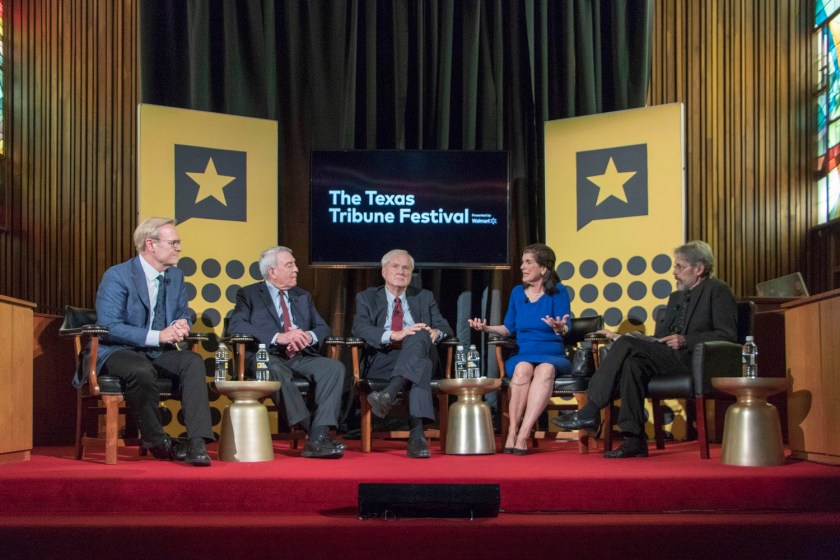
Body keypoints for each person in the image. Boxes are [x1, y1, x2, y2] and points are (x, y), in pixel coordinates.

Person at [553, 240, 737, 458]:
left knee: (627, 347)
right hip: (668, 356)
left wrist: (685, 340)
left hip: (696, 360)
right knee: (633, 364)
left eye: (680, 267)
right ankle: (634, 440)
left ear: (699, 269)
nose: (674, 272)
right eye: (674, 266)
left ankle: (591, 409)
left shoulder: (718, 290)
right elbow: (660, 338)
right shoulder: (676, 297)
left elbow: (727, 335)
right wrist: (619, 336)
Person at [79, 217, 214, 466]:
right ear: (150, 244)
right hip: (117, 349)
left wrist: (183, 323)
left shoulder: (176, 276)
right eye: (173, 242)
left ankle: (197, 443)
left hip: (156, 351)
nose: (179, 248)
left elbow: (184, 311)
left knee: (193, 361)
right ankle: (158, 441)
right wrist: (157, 335)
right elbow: (109, 326)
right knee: (141, 369)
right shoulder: (118, 275)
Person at [227, 246, 345, 459]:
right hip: (266, 356)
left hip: (299, 357)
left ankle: (317, 438)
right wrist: (278, 337)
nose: (297, 270)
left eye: (295, 264)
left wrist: (307, 336)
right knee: (274, 368)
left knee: (334, 368)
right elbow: (236, 326)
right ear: (272, 271)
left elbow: (323, 327)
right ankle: (314, 433)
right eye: (290, 265)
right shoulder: (249, 294)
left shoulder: (303, 296)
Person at [468, 243, 571, 455]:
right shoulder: (517, 292)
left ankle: (524, 433)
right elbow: (508, 328)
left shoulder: (559, 292)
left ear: (543, 268)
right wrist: (486, 327)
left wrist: (560, 327)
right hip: (524, 353)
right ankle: (512, 431)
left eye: (528, 262)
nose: (522, 267)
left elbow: (566, 325)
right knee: (523, 368)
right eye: (523, 262)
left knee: (545, 370)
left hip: (552, 354)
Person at [352, 249, 454, 458]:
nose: (401, 271)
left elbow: (446, 327)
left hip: (419, 349)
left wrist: (436, 332)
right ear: (384, 272)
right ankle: (417, 437)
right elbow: (360, 328)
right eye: (395, 267)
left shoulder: (424, 296)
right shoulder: (367, 297)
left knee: (419, 333)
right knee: (421, 365)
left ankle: (388, 394)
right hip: (384, 357)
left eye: (406, 268)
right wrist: (394, 334)